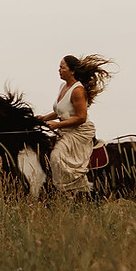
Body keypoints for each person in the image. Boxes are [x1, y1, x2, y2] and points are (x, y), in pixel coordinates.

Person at [37, 54, 114, 199]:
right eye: (59, 67)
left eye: (62, 67)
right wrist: (43, 118)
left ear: (72, 71)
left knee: (56, 157)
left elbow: (81, 117)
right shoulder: (63, 87)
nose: (59, 70)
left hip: (78, 131)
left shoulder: (78, 90)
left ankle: (72, 190)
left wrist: (57, 124)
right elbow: (61, 110)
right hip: (65, 129)